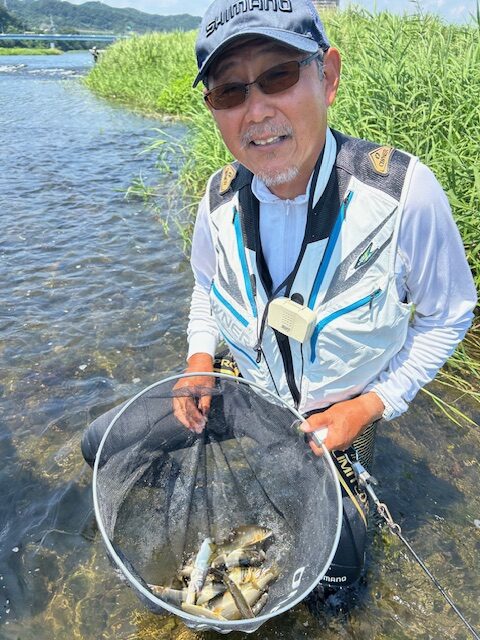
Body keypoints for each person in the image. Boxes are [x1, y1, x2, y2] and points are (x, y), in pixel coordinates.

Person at [169, 0, 477, 606]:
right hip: (245, 391)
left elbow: (449, 315)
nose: (256, 111)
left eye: (279, 76)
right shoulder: (217, 197)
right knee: (104, 445)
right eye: (229, 91)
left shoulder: (403, 195)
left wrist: (371, 405)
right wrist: (200, 358)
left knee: (337, 583)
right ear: (214, 110)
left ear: (327, 77)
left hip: (333, 421)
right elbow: (207, 286)